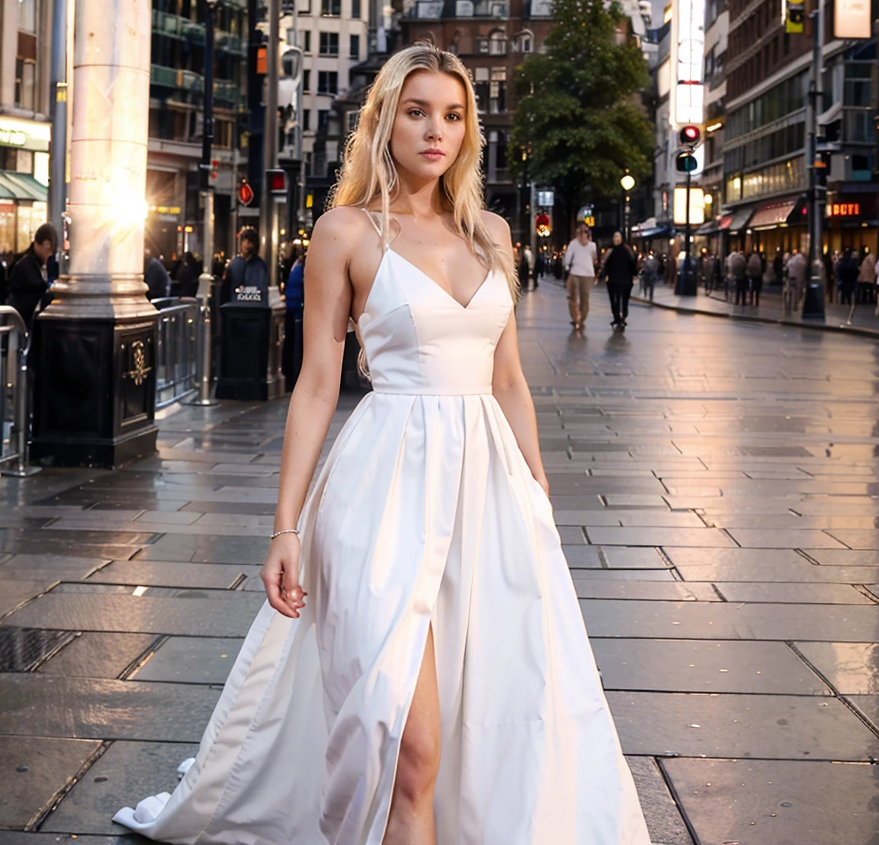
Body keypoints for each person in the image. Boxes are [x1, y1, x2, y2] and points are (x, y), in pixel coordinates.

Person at [114, 44, 649, 845]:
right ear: (385, 121)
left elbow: (507, 381)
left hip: (489, 495)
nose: (438, 130)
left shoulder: (494, 233)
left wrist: (537, 499)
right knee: (409, 745)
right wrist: (285, 527)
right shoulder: (345, 232)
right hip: (384, 487)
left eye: (454, 115)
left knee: (498, 725)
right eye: (418, 110)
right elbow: (318, 386)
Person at [8, 224, 58, 333]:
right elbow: (40, 288)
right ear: (46, 244)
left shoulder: (32, 264)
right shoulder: (26, 266)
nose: (47, 258)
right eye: (49, 253)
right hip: (22, 323)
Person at [220, 226, 270, 305]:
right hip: (236, 308)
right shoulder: (234, 265)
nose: (247, 245)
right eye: (244, 241)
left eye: (249, 242)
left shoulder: (260, 266)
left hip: (254, 309)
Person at [562, 222, 597, 330]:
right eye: (580, 232)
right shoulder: (574, 244)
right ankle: (576, 318)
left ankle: (581, 318)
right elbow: (568, 257)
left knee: (584, 298)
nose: (582, 234)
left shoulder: (592, 246)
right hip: (576, 273)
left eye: (585, 232)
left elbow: (593, 259)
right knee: (575, 297)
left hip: (586, 274)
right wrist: (567, 266)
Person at [281, 244, 305, 391]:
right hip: (296, 308)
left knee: (293, 345)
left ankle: (292, 377)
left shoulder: (296, 266)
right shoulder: (299, 267)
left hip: (294, 308)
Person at [601, 231, 637, 327]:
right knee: (620, 300)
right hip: (621, 280)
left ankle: (619, 317)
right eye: (615, 237)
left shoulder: (612, 251)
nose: (616, 239)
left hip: (618, 280)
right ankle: (620, 317)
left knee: (618, 300)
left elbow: (606, 264)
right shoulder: (625, 250)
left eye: (618, 237)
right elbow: (632, 263)